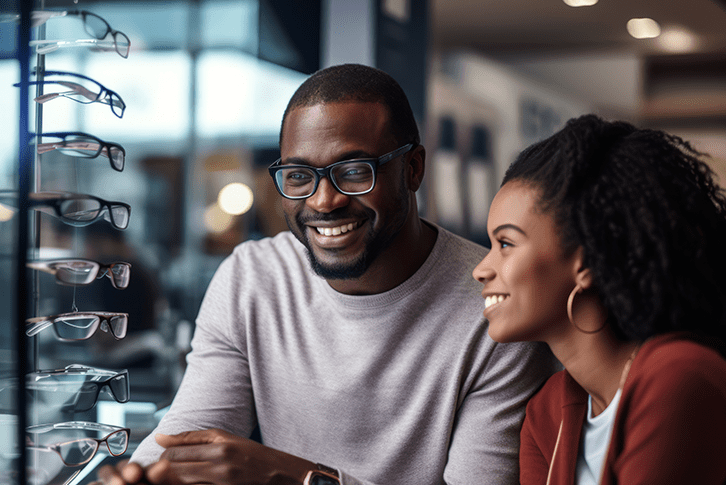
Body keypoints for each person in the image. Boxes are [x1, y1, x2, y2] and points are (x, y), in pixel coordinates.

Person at [98, 64, 556, 485]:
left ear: (412, 169)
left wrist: (299, 477)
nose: (323, 201)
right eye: (299, 176)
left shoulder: (496, 306)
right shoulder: (251, 278)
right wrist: (146, 476)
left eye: (354, 172)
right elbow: (189, 438)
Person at [472, 114, 726, 485]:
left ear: (585, 260)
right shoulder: (547, 413)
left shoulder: (679, 378)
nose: (481, 268)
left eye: (506, 244)